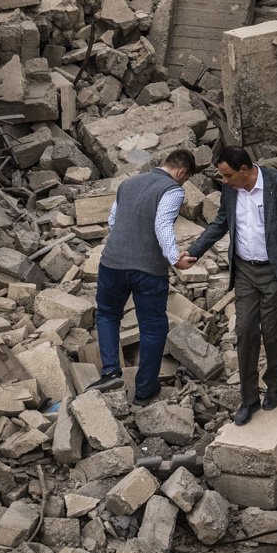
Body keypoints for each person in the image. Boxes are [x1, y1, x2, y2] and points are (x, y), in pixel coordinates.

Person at [179, 144, 277, 424]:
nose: (224, 182)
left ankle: (275, 386)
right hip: (244, 272)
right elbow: (220, 224)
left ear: (244, 169)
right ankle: (249, 399)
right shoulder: (230, 190)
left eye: (227, 176)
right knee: (245, 331)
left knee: (272, 332)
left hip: (276, 272)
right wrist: (194, 251)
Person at [93, 147, 195, 403]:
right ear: (181, 172)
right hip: (148, 269)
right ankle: (145, 389)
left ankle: (110, 373)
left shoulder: (128, 184)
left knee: (107, 314)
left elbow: (113, 221)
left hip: (112, 263)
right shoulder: (172, 190)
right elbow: (162, 223)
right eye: (185, 178)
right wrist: (174, 257)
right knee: (152, 326)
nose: (183, 183)